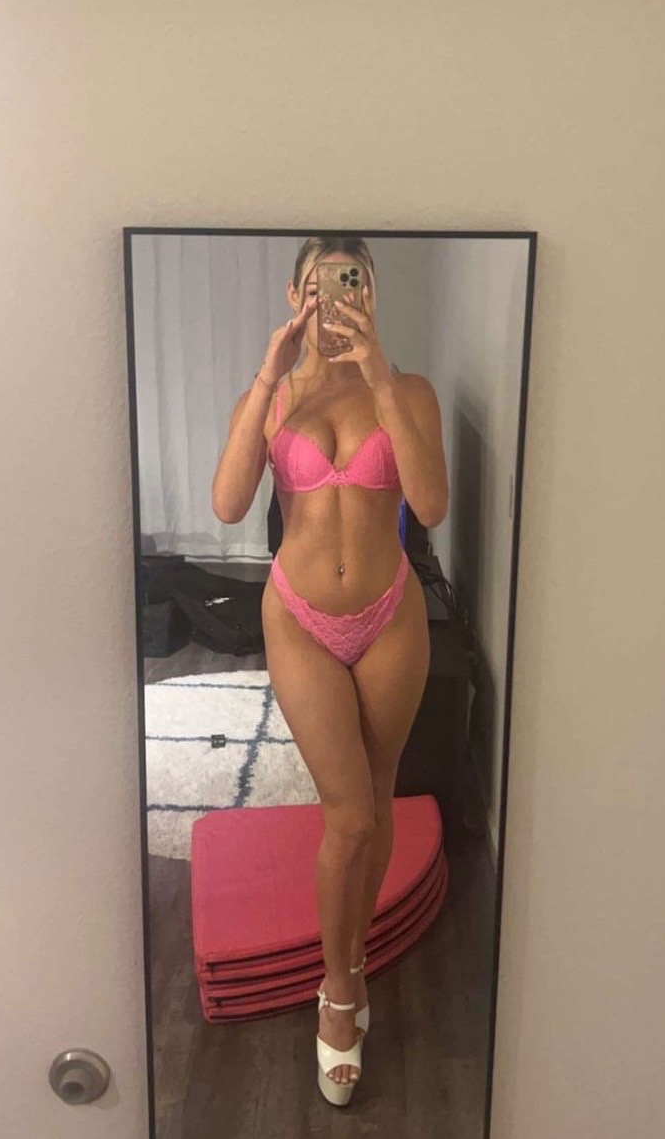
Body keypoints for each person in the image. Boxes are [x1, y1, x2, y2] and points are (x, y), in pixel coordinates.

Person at [211, 236, 448, 1105]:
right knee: (348, 816)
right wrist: (268, 377)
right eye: (322, 286)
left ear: (373, 293)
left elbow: (431, 505)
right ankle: (340, 991)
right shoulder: (275, 395)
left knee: (375, 801)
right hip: (300, 618)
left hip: (390, 614)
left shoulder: (408, 389)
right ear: (294, 294)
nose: (338, 301)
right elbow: (229, 504)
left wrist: (379, 375)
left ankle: (350, 953)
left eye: (355, 284)